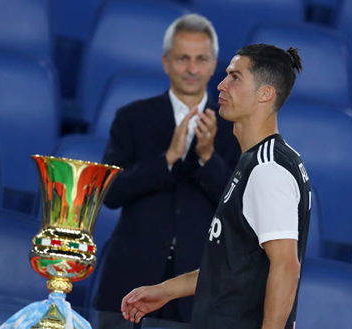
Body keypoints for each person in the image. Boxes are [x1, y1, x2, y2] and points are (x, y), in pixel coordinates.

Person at [121, 44, 311, 329]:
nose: (221, 85)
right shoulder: (258, 160)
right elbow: (231, 266)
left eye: (235, 77)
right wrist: (165, 290)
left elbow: (286, 266)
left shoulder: (267, 169)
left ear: (265, 93)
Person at [93, 14, 241, 322]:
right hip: (129, 276)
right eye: (182, 58)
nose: (192, 69)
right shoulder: (131, 118)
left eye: (201, 59)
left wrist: (206, 158)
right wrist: (167, 159)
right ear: (166, 62)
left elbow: (240, 208)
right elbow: (110, 194)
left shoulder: (235, 129)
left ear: (214, 65)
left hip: (198, 287)